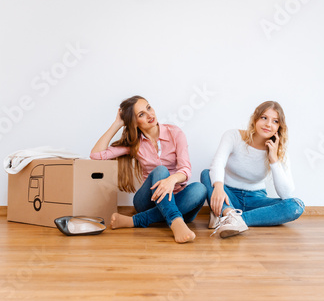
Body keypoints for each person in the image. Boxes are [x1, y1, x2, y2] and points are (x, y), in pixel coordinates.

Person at [90, 95, 206, 243]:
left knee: (200, 189)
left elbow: (185, 169)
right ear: (134, 123)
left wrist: (171, 180)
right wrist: (117, 123)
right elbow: (96, 155)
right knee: (160, 170)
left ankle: (135, 221)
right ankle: (176, 221)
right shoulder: (134, 144)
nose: (150, 115)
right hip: (148, 200)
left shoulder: (175, 133)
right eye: (141, 114)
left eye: (149, 108)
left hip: (179, 199)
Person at [200, 101, 305, 238]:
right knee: (206, 174)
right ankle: (228, 214)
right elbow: (218, 163)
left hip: (256, 199)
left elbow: (286, 194)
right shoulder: (233, 136)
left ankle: (232, 218)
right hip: (228, 194)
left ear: (279, 127)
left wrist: (273, 159)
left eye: (275, 121)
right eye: (264, 118)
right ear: (255, 119)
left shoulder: (280, 152)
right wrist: (219, 188)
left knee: (295, 205)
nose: (268, 124)